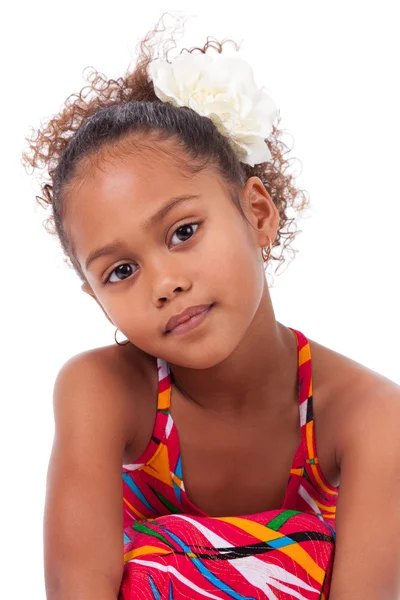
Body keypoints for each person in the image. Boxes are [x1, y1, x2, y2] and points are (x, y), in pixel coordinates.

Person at [22, 13, 400, 600]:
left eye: (182, 231)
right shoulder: (102, 390)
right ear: (96, 298)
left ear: (257, 213)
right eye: (121, 271)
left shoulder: (369, 415)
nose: (165, 283)